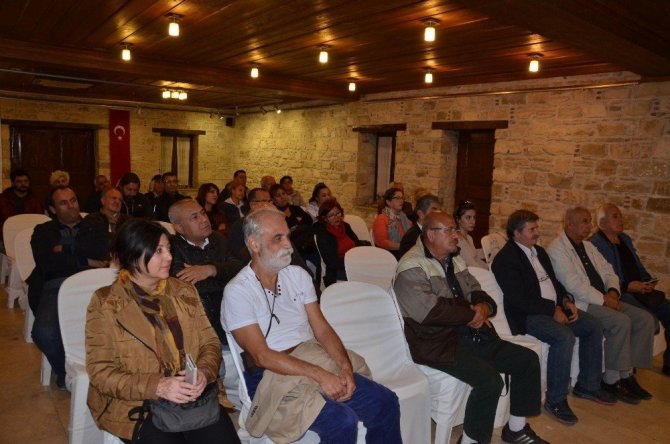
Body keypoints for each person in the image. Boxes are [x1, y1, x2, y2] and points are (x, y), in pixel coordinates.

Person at [221, 207, 402, 444]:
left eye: (287, 236)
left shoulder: (298, 276)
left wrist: (345, 367)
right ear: (254, 244)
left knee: (385, 402)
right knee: (342, 421)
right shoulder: (238, 291)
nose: (288, 244)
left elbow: (322, 329)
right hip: (270, 374)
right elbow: (262, 356)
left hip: (312, 356)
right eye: (278, 238)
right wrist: (321, 375)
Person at [394, 211, 546, 444]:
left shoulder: (453, 259)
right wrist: (470, 314)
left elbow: (475, 289)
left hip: (471, 334)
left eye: (455, 230)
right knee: (489, 381)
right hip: (436, 343)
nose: (456, 235)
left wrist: (483, 307)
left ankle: (515, 429)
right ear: (431, 235)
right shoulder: (411, 265)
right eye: (449, 230)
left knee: (526, 360)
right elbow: (429, 310)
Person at [85, 219, 240, 443]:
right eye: (158, 251)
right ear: (132, 255)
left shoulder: (183, 291)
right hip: (140, 403)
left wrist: (204, 373)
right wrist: (158, 386)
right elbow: (101, 372)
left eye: (168, 249)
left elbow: (210, 342)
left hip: (192, 397)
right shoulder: (107, 302)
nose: (168, 257)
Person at [492, 210, 615, 426]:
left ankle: (587, 385)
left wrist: (566, 301)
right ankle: (555, 400)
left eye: (537, 228)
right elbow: (520, 299)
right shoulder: (505, 259)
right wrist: (552, 310)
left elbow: (554, 283)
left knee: (592, 325)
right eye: (532, 229)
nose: (537, 233)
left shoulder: (538, 252)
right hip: (528, 315)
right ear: (516, 233)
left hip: (553, 308)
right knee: (563, 336)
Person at [547, 207, 655, 404]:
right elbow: (573, 285)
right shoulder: (557, 249)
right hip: (584, 303)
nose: (590, 226)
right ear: (569, 223)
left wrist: (613, 291)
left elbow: (609, 272)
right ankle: (612, 380)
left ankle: (627, 374)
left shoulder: (588, 246)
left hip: (606, 298)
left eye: (590, 221)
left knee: (644, 319)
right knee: (620, 321)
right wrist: (605, 300)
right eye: (584, 221)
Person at [27, 186, 108, 389]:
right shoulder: (43, 231)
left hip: (93, 283)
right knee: (44, 333)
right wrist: (88, 260)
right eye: (63, 203)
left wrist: (64, 249)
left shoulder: (94, 224)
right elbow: (48, 263)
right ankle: (66, 371)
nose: (71, 206)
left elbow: (101, 249)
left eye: (73, 200)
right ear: (52, 209)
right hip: (56, 286)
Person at [590, 203, 670, 376]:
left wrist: (647, 281)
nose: (621, 219)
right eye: (615, 217)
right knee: (648, 320)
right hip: (621, 293)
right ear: (602, 223)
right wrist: (627, 286)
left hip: (640, 290)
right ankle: (628, 371)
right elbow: (603, 279)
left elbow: (637, 265)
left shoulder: (624, 239)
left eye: (620, 216)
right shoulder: (595, 244)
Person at [168, 199, 243, 343]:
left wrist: (212, 269)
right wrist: (224, 278)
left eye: (203, 213)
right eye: (195, 217)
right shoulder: (172, 248)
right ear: (179, 227)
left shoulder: (218, 239)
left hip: (233, 314)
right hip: (200, 324)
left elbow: (240, 268)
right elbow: (188, 288)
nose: (204, 219)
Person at [313, 198, 368, 286]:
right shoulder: (323, 234)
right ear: (325, 218)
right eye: (331, 215)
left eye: (338, 213)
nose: (336, 217)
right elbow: (331, 262)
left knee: (374, 269)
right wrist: (352, 262)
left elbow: (357, 244)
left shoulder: (346, 226)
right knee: (366, 275)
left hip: (355, 263)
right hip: (338, 270)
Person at [78, 188, 130, 263]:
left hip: (124, 263)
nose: (117, 201)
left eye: (120, 200)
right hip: (98, 264)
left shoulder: (128, 221)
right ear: (103, 201)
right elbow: (85, 246)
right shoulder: (91, 220)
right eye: (114, 198)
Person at [0, 168, 44, 247]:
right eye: (19, 181)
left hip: (28, 238)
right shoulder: (3, 199)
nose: (23, 184)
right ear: (13, 183)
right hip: (6, 238)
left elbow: (39, 220)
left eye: (26, 181)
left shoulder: (35, 200)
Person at [372, 187, 412, 259]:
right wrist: (404, 246)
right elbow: (381, 242)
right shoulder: (381, 219)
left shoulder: (403, 217)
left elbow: (412, 234)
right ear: (388, 202)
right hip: (389, 256)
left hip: (404, 252)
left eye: (402, 198)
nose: (401, 201)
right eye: (397, 198)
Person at [398, 194, 441, 258]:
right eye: (434, 210)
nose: (439, 214)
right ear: (421, 214)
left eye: (439, 211)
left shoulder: (437, 233)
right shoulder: (410, 237)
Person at [454, 200, 486, 268]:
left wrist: (489, 267)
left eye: (474, 217)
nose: (472, 221)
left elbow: (475, 257)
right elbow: (472, 264)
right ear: (458, 219)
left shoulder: (469, 237)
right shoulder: (458, 240)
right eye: (468, 217)